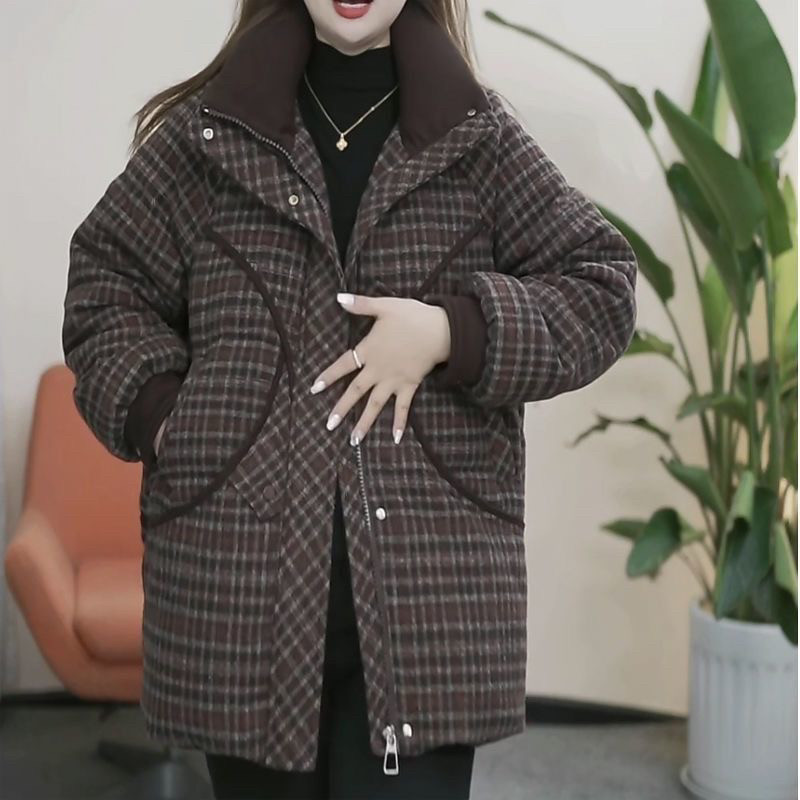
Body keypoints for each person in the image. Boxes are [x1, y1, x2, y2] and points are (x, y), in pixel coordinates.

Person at [61, 0, 638, 798]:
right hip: (239, 597)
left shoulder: (478, 136)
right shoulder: (208, 134)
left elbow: (602, 289)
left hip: (431, 604)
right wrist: (169, 420)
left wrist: (449, 331)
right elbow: (104, 288)